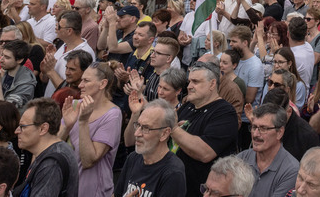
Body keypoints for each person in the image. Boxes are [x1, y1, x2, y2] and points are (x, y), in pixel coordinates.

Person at [173, 62, 241, 197]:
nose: (189, 86)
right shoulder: (188, 107)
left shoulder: (224, 112)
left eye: (195, 82)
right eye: (189, 81)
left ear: (212, 84)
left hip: (201, 190)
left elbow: (205, 153)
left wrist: (173, 128)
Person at [61, 62, 123, 197]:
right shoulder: (74, 105)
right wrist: (66, 127)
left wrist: (83, 122)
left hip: (93, 191)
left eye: (86, 81)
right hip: (67, 188)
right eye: (81, 80)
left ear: (102, 84)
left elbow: (89, 160)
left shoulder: (113, 114)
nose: (80, 85)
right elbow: (53, 145)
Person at [116, 98, 187, 197]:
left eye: (146, 128)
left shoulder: (173, 172)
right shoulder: (133, 158)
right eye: (138, 125)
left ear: (164, 133)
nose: (137, 133)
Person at [14, 97, 79, 197]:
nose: (17, 131)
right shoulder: (52, 151)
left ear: (43, 129)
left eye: (23, 127)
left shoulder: (51, 164)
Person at [236, 104, 299, 197]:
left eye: (263, 128)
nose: (256, 134)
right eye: (254, 127)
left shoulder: (290, 170)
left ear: (280, 133)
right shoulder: (240, 159)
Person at [0, 39, 37, 106]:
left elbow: (5, 113)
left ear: (20, 60)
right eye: (2, 55)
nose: (1, 60)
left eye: (7, 57)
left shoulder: (26, 84)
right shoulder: (3, 72)